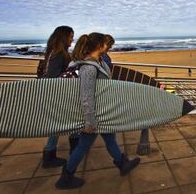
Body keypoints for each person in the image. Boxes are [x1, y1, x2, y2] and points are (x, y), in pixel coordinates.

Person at [55, 32, 140, 189]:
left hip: (102, 113)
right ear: (100, 46)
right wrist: (89, 121)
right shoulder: (88, 67)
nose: (108, 46)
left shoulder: (96, 62)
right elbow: (86, 96)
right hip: (93, 115)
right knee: (83, 145)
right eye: (106, 44)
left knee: (110, 139)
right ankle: (65, 177)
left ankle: (122, 164)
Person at [40, 26, 79, 168]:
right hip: (58, 95)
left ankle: (50, 154)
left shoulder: (52, 52)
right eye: (70, 36)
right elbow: (54, 77)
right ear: (64, 37)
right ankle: (72, 151)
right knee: (69, 122)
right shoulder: (59, 54)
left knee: (59, 124)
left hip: (54, 94)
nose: (72, 39)